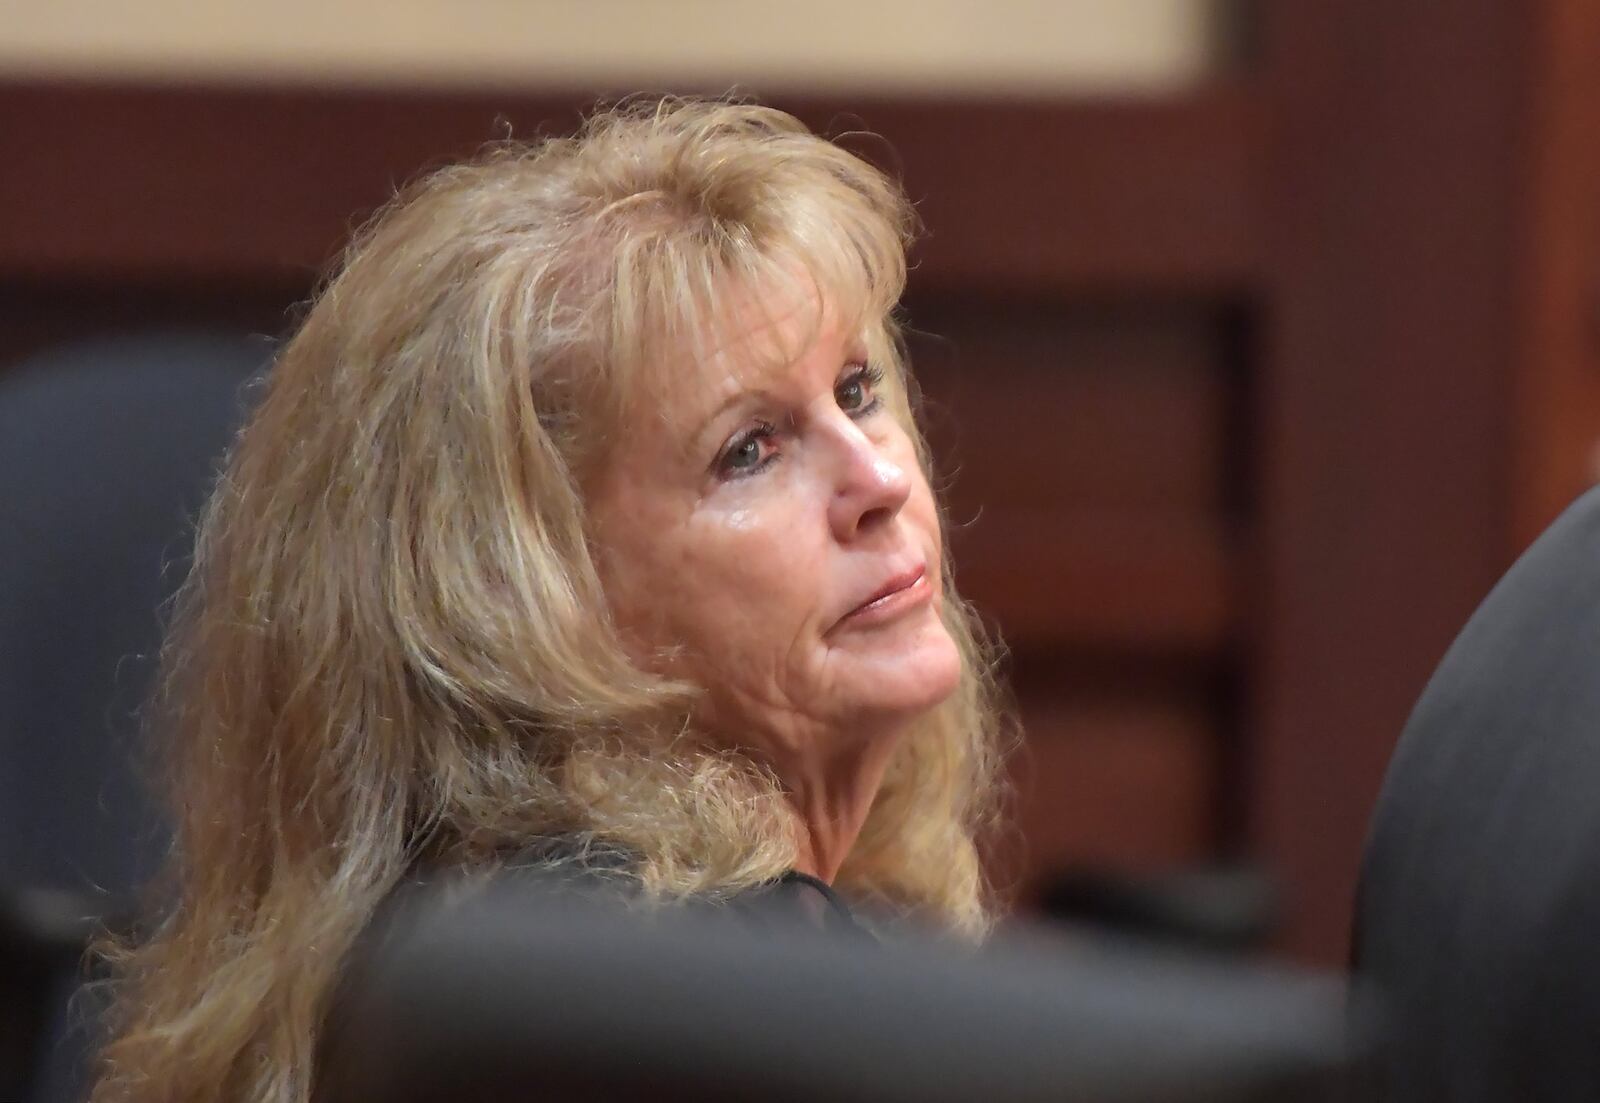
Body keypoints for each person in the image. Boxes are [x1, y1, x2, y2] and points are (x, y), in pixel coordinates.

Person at [88, 97, 1011, 1103]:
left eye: (855, 391)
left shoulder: (474, 963)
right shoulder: (671, 1006)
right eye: (749, 451)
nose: (875, 477)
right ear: (528, 596)